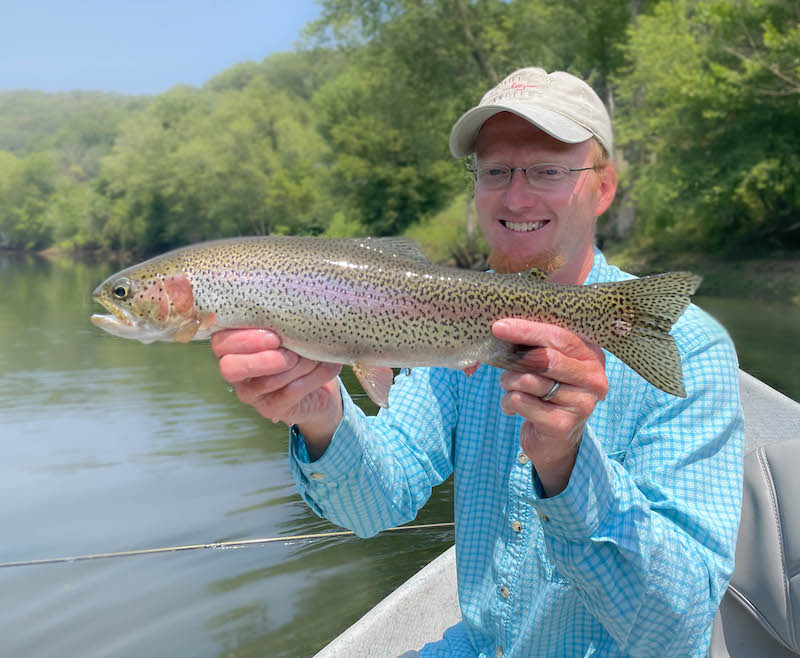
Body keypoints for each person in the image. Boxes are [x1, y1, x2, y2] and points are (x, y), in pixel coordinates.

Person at [211, 68, 744, 657]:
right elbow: (376, 503)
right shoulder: (449, 318)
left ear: (604, 187)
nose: (516, 197)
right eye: (495, 171)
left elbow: (677, 625)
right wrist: (318, 415)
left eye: (548, 169)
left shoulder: (691, 349)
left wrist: (568, 465)